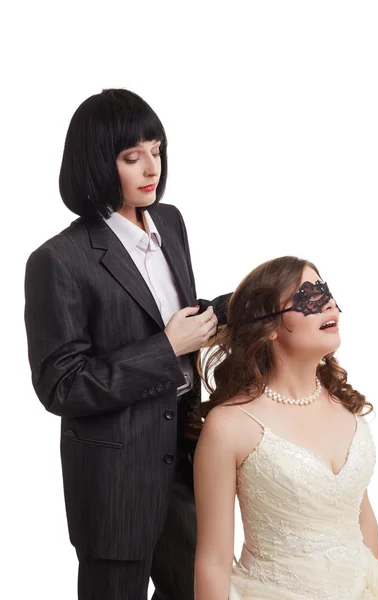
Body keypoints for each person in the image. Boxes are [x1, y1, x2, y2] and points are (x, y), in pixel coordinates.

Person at [24, 88, 230, 600]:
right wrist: (166, 347)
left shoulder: (172, 222)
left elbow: (166, 315)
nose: (150, 168)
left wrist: (233, 311)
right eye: (131, 157)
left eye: (156, 150)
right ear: (98, 163)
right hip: (115, 480)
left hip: (186, 457)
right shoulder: (60, 260)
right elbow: (62, 386)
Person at [194, 256, 378, 599]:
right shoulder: (231, 425)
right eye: (308, 297)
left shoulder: (343, 406)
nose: (328, 303)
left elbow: (362, 519)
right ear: (269, 327)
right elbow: (213, 562)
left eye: (325, 291)